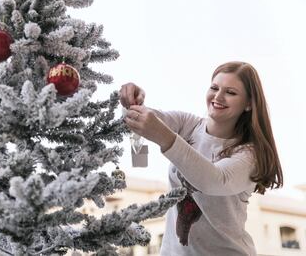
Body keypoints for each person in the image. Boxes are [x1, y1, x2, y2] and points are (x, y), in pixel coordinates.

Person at [119, 61, 283, 256]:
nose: (218, 96)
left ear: (249, 103)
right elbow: (141, 128)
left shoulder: (250, 154)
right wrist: (131, 103)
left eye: (230, 92)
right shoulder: (188, 125)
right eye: (214, 87)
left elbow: (214, 181)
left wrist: (164, 137)